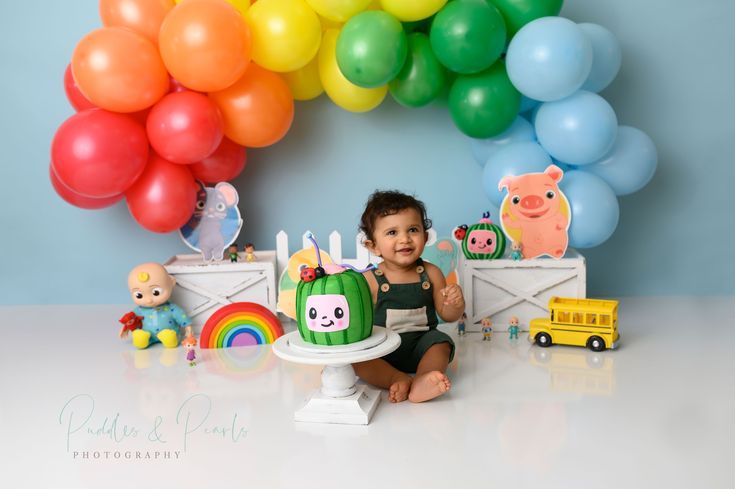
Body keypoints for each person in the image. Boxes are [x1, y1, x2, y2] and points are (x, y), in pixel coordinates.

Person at [353, 190, 465, 403]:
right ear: (373, 246)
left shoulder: (431, 273)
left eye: (413, 230)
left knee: (441, 343)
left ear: (425, 235)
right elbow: (358, 321)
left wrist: (455, 304)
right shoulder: (370, 279)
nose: (405, 239)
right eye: (392, 232)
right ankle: (396, 378)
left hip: (421, 346)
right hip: (382, 348)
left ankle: (424, 379)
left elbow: (447, 315)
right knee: (358, 360)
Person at [127, 262, 192, 349]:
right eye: (139, 295)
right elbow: (130, 319)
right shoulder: (139, 310)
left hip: (169, 332)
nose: (149, 300)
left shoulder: (171, 308)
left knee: (169, 338)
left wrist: (188, 327)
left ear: (171, 282)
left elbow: (181, 316)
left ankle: (170, 338)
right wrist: (126, 328)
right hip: (149, 334)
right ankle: (142, 338)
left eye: (156, 292)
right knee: (141, 338)